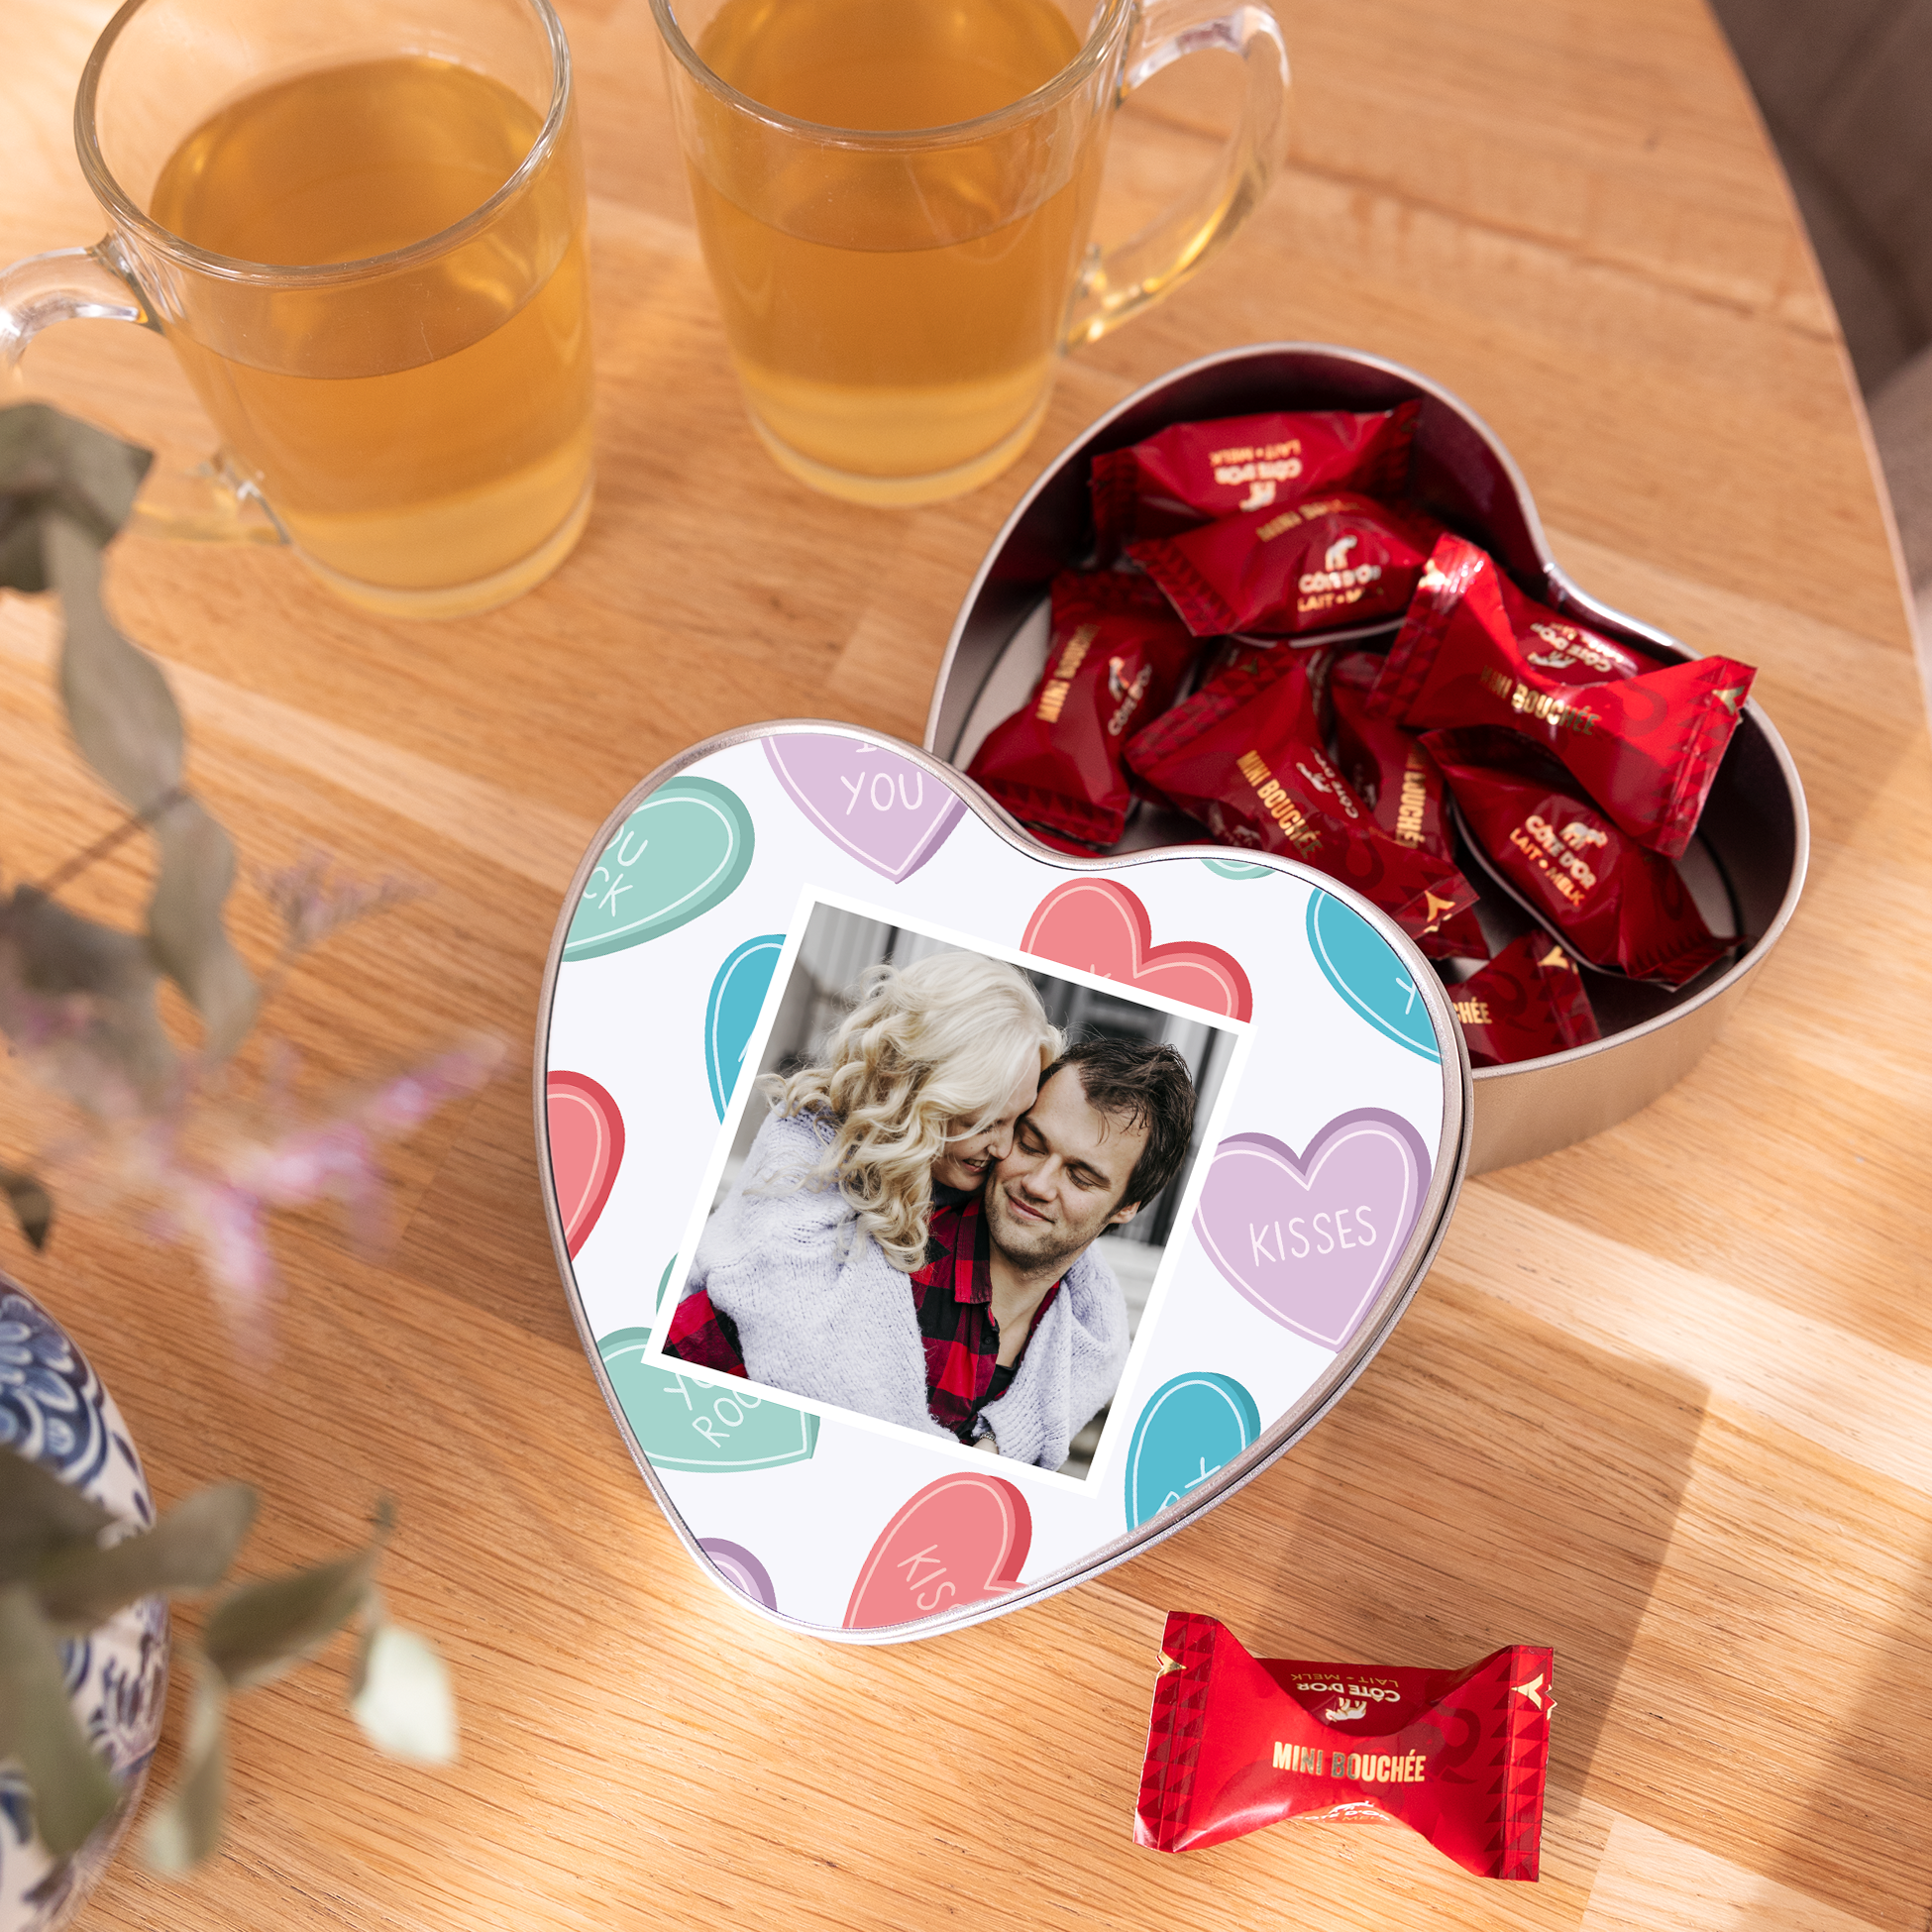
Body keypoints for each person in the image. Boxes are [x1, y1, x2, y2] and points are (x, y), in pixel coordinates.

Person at [670, 1012, 1198, 1471]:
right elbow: (684, 1362)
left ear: (1129, 1206)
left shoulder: (1078, 1343)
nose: (1037, 1183)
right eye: (1030, 1143)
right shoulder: (876, 1243)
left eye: (1081, 1177)